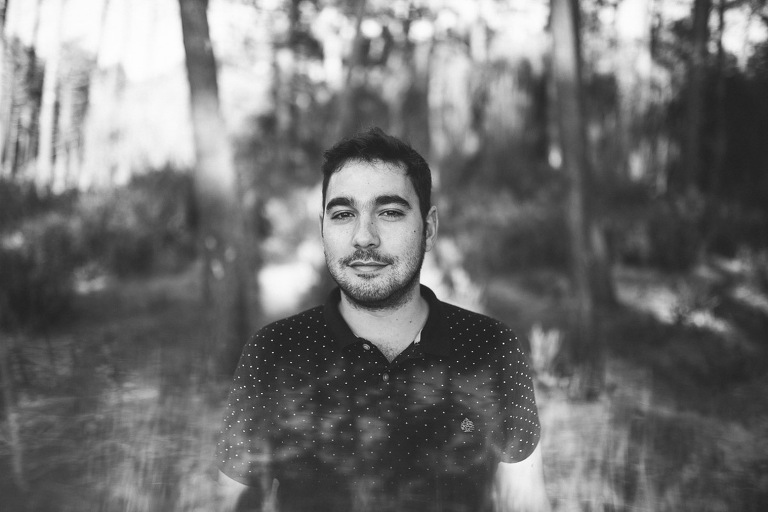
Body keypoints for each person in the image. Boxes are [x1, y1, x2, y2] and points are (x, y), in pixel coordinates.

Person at [216, 127, 549, 512]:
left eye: (389, 212)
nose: (364, 237)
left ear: (429, 229)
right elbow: (232, 504)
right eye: (343, 214)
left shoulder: (492, 349)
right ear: (323, 228)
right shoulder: (273, 354)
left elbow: (526, 502)